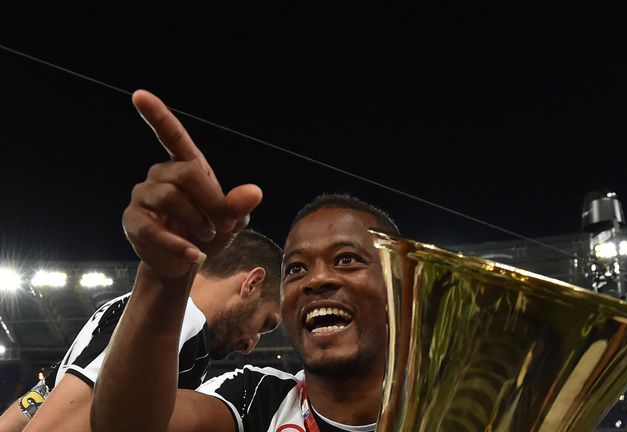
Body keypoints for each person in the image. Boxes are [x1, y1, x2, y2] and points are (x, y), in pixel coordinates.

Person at [90, 90, 399, 432]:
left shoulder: (458, 405)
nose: (315, 280)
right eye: (296, 268)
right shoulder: (255, 397)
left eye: (346, 259)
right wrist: (163, 279)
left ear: (399, 290)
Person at [0, 229, 283, 432]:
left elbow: (32, 406)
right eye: (265, 324)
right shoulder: (181, 321)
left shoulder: (131, 310)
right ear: (252, 283)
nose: (251, 344)